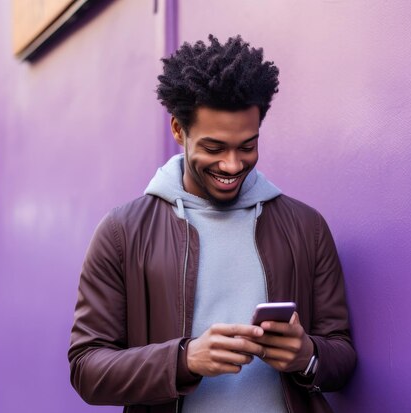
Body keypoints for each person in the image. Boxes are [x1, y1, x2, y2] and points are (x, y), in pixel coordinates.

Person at [68, 34, 356, 413]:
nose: (232, 165)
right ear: (178, 130)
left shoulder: (306, 227)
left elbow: (342, 357)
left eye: (247, 146)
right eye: (214, 148)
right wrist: (184, 360)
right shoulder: (123, 232)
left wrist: (306, 354)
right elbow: (87, 369)